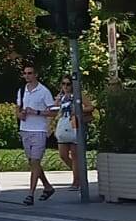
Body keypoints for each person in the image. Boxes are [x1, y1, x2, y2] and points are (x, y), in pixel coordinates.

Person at [15, 66, 57, 205]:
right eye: (25, 74)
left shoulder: (44, 91)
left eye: (30, 73)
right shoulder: (22, 90)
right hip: (25, 129)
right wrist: (20, 115)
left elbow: (53, 112)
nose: (27, 76)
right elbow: (18, 109)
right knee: (32, 162)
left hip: (39, 130)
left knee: (35, 161)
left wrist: (37, 112)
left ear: (36, 74)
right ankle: (47, 186)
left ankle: (31, 194)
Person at [54, 77, 92, 190]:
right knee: (63, 154)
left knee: (75, 155)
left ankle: (76, 181)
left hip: (75, 124)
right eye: (63, 84)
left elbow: (90, 106)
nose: (65, 86)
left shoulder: (78, 95)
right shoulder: (60, 96)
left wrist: (79, 110)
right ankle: (79, 174)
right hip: (63, 124)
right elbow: (55, 109)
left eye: (68, 84)